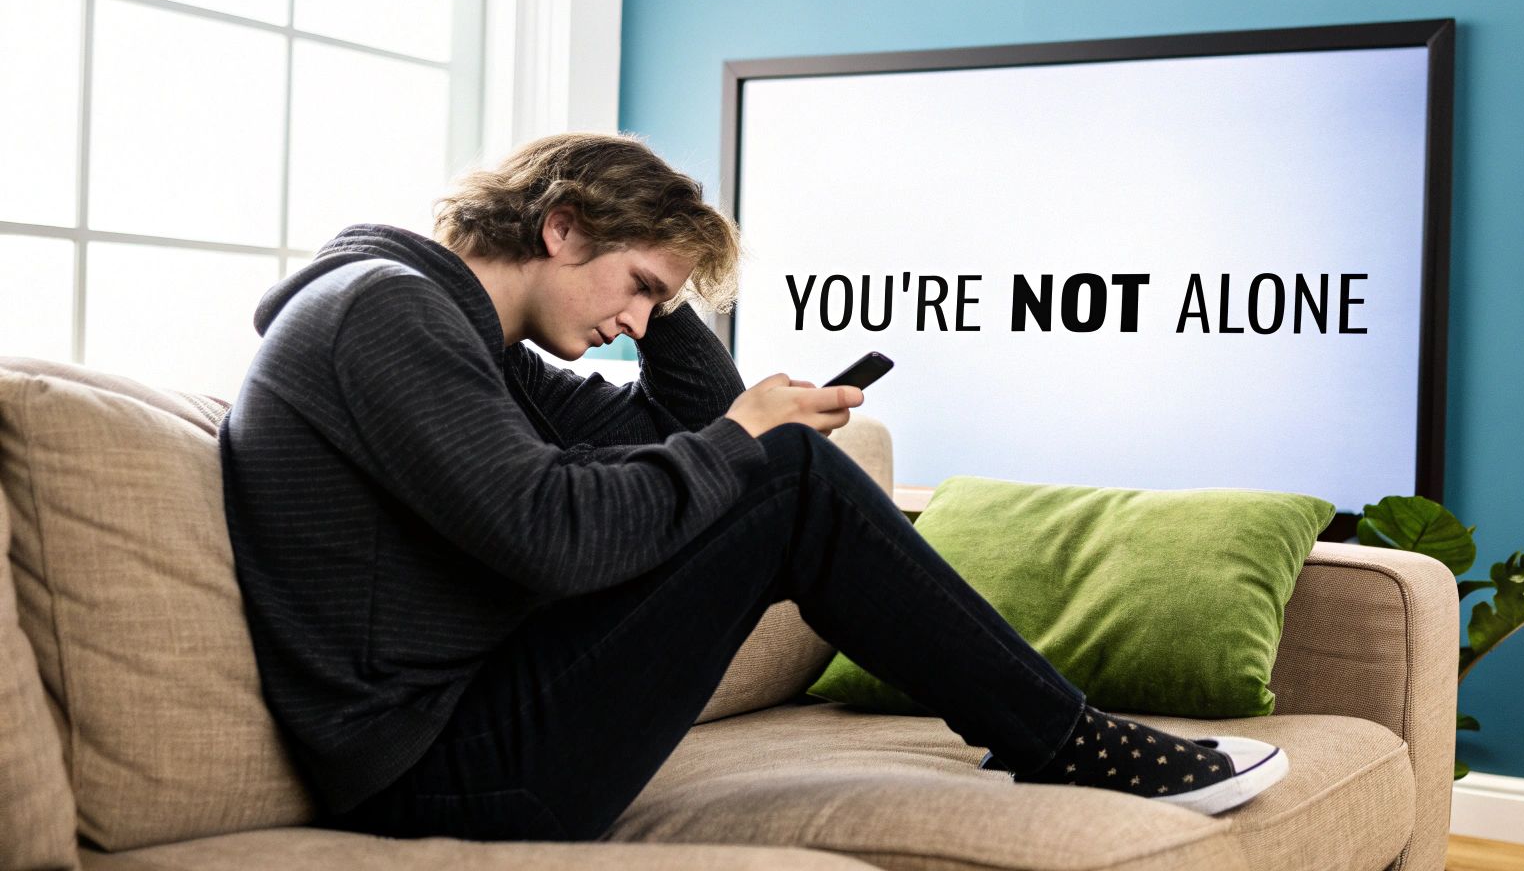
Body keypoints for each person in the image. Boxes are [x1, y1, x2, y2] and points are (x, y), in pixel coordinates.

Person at [218, 132, 1288, 843]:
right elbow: (552, 536)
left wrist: (668, 275)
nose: (634, 323)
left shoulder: (471, 347)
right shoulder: (384, 316)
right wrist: (743, 433)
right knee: (782, 473)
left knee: (774, 468)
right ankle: (1068, 740)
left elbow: (683, 425)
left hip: (469, 733)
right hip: (434, 778)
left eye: (653, 303)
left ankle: (1054, 734)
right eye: (635, 286)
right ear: (559, 227)